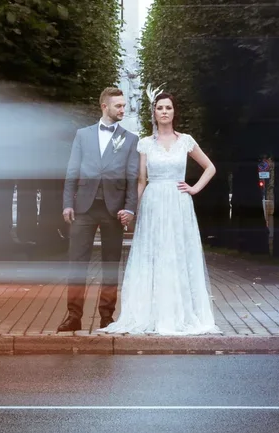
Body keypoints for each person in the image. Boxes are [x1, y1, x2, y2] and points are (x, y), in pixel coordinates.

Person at [101, 92, 219, 335]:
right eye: (160, 108)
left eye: (168, 107)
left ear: (174, 112)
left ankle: (179, 312)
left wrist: (194, 188)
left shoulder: (186, 140)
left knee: (177, 254)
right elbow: (142, 181)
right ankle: (150, 312)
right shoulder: (145, 144)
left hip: (178, 203)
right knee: (153, 255)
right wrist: (132, 208)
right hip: (153, 203)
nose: (164, 111)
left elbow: (210, 167)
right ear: (154, 113)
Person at [58, 87, 139, 332]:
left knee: (111, 264)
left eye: (124, 105)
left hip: (114, 210)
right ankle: (73, 316)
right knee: (77, 263)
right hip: (84, 206)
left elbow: (132, 177)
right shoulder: (83, 135)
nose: (123, 109)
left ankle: (106, 316)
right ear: (105, 106)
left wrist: (130, 209)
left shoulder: (130, 139)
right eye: (119, 106)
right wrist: (67, 203)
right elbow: (72, 169)